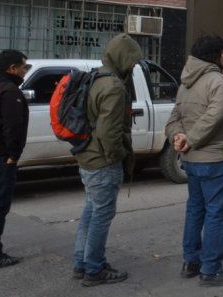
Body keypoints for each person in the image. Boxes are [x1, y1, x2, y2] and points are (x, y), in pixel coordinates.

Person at [165, 35, 223, 287]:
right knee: (217, 214)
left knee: (195, 209)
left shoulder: (185, 83)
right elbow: (215, 116)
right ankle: (210, 269)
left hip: (192, 160)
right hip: (214, 158)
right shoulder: (220, 82)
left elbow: (174, 116)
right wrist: (189, 139)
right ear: (214, 55)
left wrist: (178, 136)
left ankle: (191, 262)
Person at [73, 34, 142, 287]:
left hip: (87, 158)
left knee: (90, 214)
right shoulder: (113, 86)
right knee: (100, 217)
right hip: (103, 163)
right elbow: (108, 133)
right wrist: (118, 158)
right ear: (123, 57)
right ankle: (94, 269)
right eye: (132, 61)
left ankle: (82, 263)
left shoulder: (96, 77)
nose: (134, 66)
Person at [0, 50, 29, 269]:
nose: (25, 71)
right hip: (0, 158)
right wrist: (13, 156)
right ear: (12, 69)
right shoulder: (9, 92)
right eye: (23, 67)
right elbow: (13, 128)